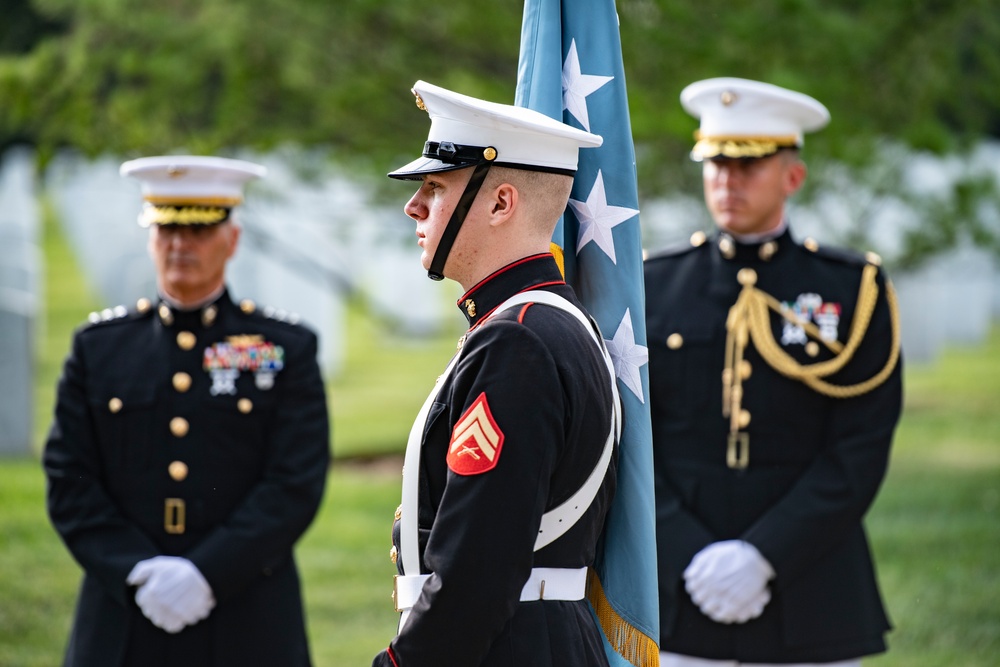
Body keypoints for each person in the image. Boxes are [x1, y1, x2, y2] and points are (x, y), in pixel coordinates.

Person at [644, 78, 903, 667]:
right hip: (681, 586)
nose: (727, 181)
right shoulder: (653, 285)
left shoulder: (851, 289)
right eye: (714, 164)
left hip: (810, 581)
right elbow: (631, 437)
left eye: (749, 165)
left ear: (793, 177)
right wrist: (685, 549)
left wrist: (765, 555)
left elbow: (861, 444)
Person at [43, 156, 331, 667]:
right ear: (151, 239)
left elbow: (294, 481)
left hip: (248, 612)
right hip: (124, 613)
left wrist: (208, 573)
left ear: (232, 239)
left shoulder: (285, 347)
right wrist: (134, 569)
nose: (180, 245)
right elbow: (70, 479)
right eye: (167, 229)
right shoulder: (99, 348)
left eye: (199, 228)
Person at [370, 80, 621, 667]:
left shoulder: (517, 340)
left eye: (435, 187)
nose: (414, 205)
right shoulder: (538, 323)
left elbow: (476, 569)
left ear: (501, 203)